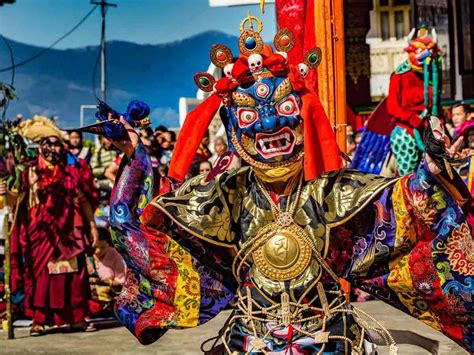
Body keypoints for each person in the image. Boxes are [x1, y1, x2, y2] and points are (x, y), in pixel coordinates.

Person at [106, 21, 472, 354]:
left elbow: (403, 207)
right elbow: (145, 223)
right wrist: (135, 157)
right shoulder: (224, 195)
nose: (268, 122)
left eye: (282, 107)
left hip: (330, 338)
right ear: (233, 127)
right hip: (251, 340)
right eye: (249, 114)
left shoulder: (331, 191)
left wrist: (432, 172)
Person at [8, 116, 98, 336]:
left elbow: (84, 200)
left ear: (62, 147)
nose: (51, 148)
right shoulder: (28, 172)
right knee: (41, 277)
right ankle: (38, 321)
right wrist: (6, 193)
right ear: (40, 147)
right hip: (40, 232)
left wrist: (92, 227)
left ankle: (77, 318)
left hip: (70, 230)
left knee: (73, 275)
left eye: (56, 143)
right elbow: (16, 203)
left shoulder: (72, 172)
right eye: (46, 143)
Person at [351, 25, 442, 176]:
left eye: (430, 52)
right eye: (420, 51)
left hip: (430, 129)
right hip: (406, 130)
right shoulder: (399, 76)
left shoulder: (434, 76)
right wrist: (412, 118)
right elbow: (392, 107)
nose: (426, 56)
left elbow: (437, 104)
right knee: (410, 174)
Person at [87, 227, 125, 318]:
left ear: (109, 244)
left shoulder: (115, 254)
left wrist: (106, 282)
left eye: (103, 247)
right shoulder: (86, 255)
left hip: (108, 293)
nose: (99, 251)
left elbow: (121, 281)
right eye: (95, 247)